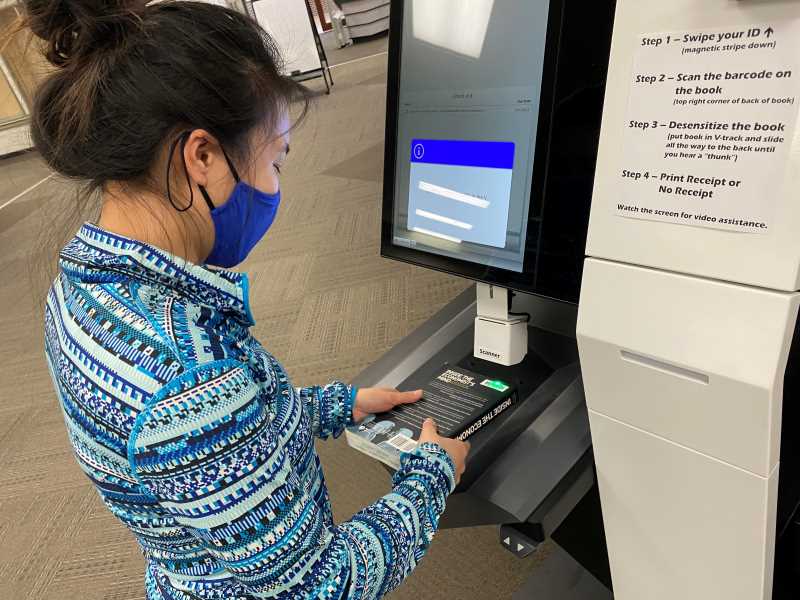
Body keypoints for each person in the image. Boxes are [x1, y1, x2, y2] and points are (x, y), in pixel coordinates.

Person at [29, 1, 470, 599]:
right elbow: (318, 585)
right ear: (203, 157)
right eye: (275, 161)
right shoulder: (192, 383)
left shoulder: (83, 286)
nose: (274, 187)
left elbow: (203, 456)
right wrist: (429, 477)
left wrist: (330, 406)